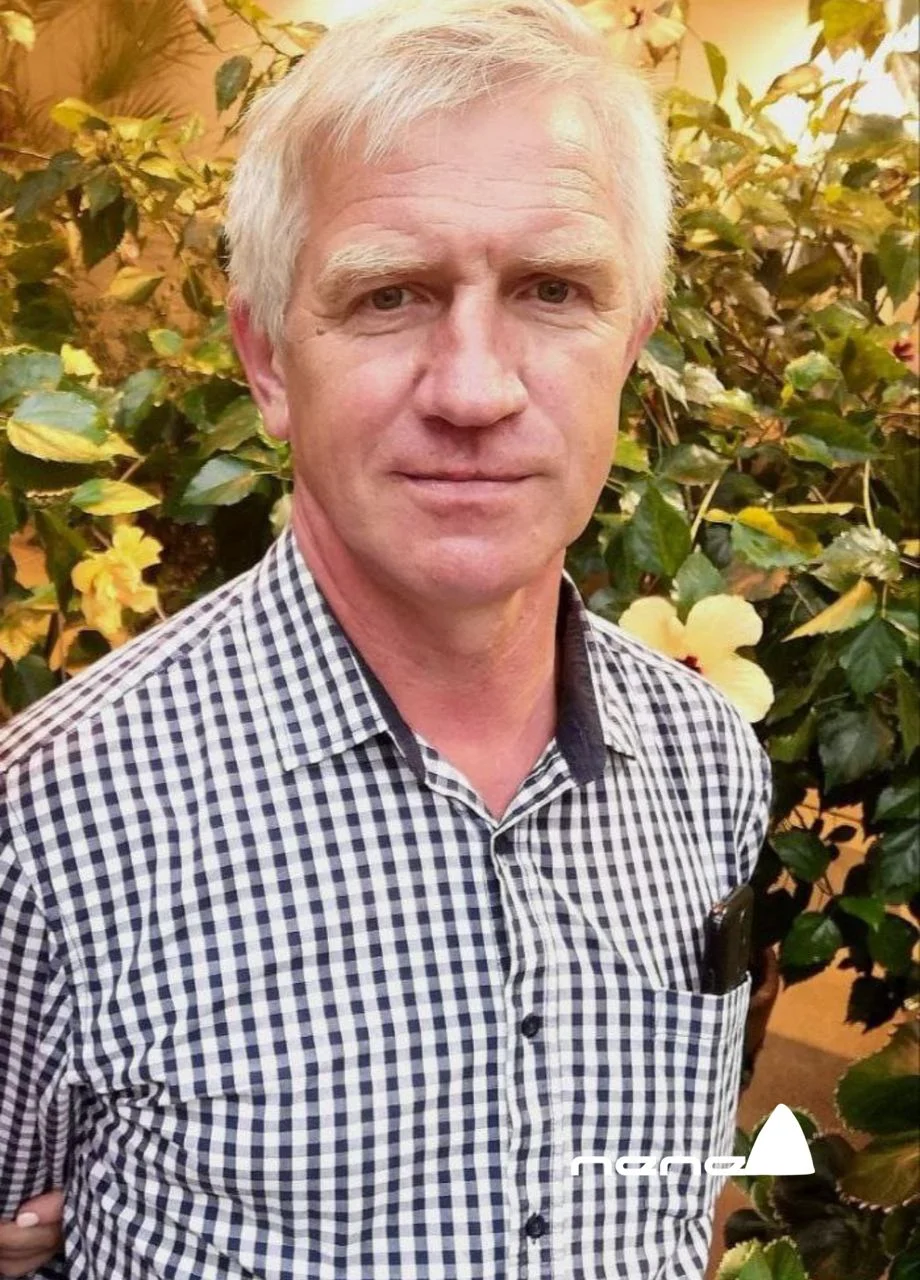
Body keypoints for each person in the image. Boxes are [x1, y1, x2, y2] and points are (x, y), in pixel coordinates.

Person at [0, 0, 773, 1275]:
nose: (474, 388)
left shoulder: (707, 765)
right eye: (389, 295)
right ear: (265, 359)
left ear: (629, 345)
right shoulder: (50, 829)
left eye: (553, 290)